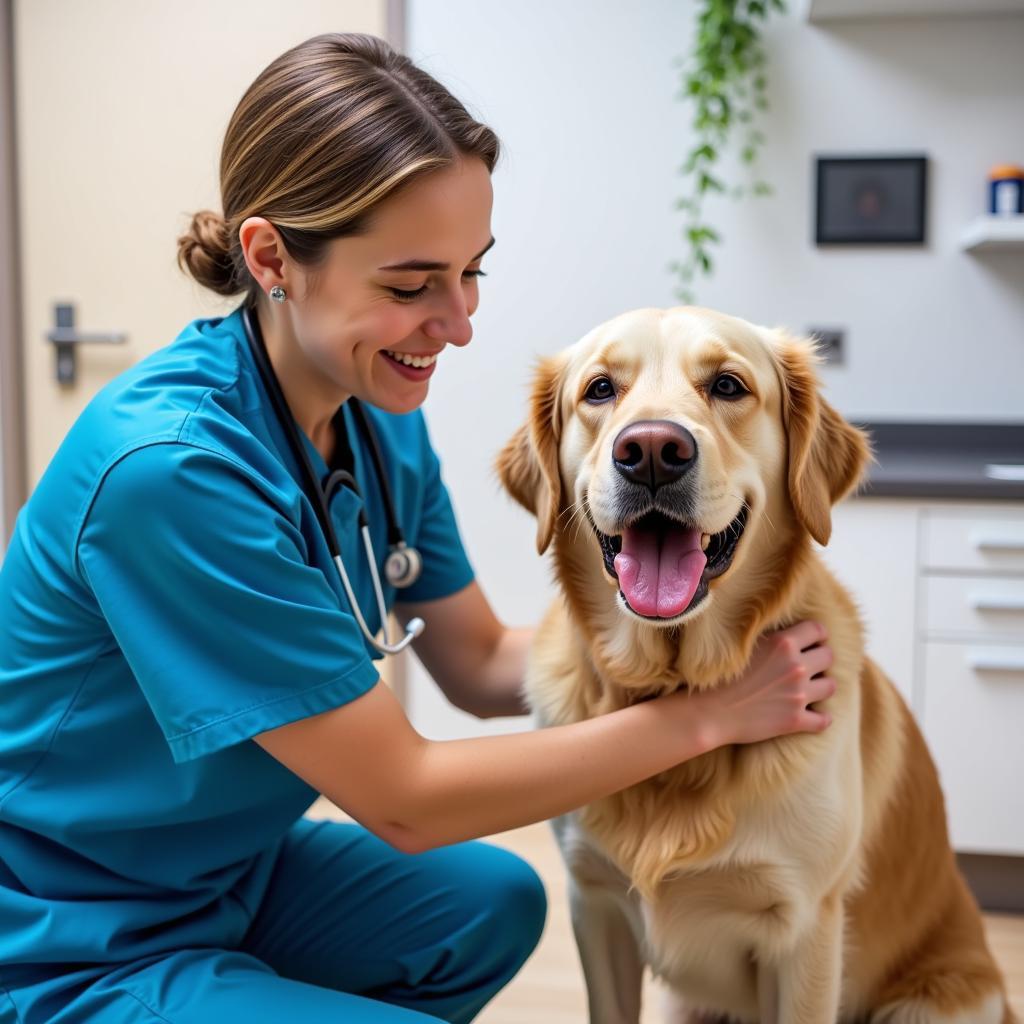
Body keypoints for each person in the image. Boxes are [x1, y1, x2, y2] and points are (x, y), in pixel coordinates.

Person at [0, 32, 837, 1024]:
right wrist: (708, 714)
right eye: (410, 285)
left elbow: (480, 664)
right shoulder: (170, 473)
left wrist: (701, 638)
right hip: (69, 926)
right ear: (270, 257)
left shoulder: (370, 418)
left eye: (470, 271)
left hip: (224, 871)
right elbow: (406, 798)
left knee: (491, 902)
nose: (459, 321)